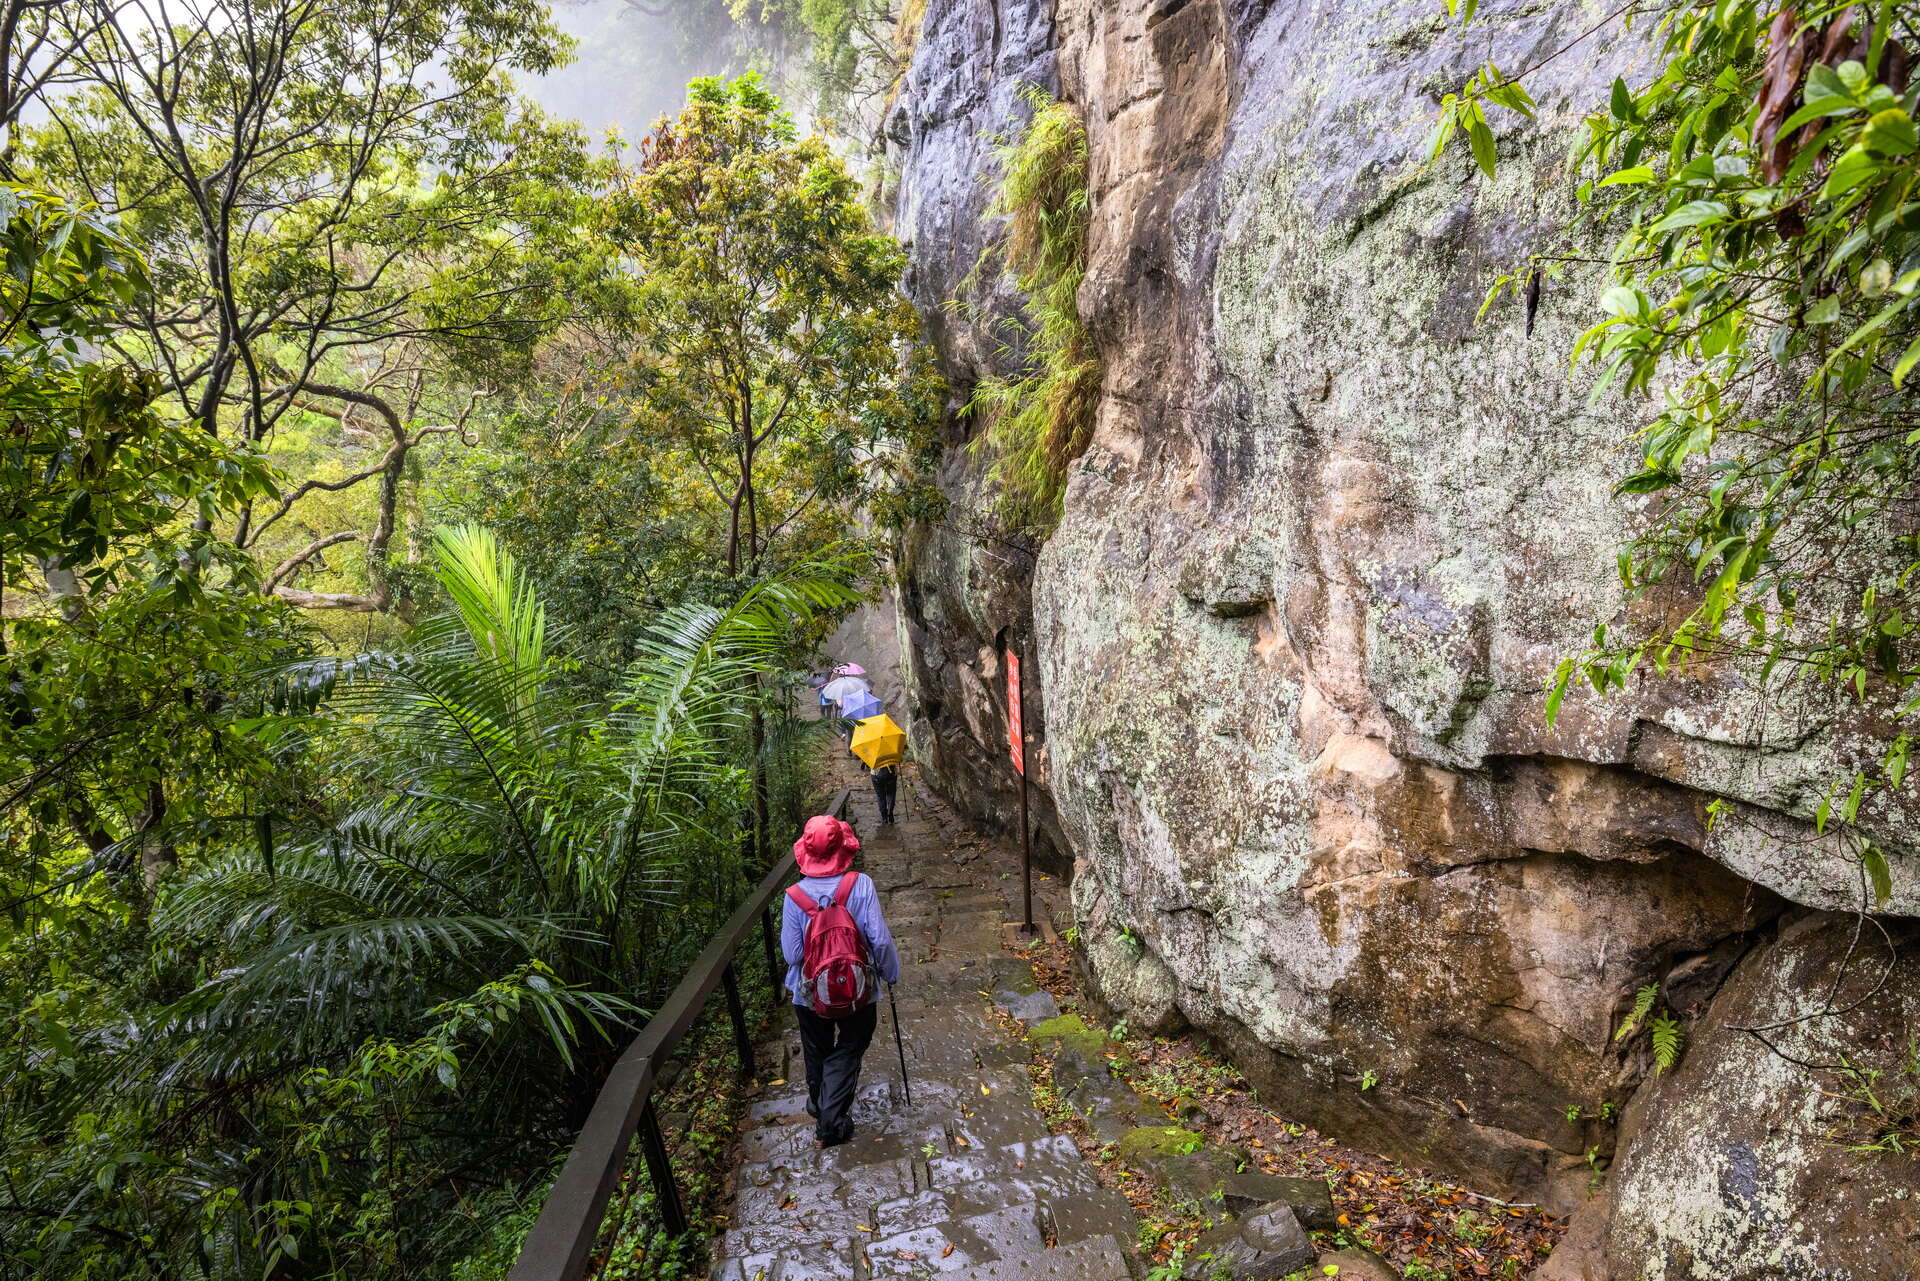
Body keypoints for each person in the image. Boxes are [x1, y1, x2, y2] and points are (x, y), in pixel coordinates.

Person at [781, 815, 900, 1146]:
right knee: (850, 1045)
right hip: (858, 989)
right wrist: (890, 973)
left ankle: (820, 1104)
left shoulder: (794, 896)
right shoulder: (860, 884)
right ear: (843, 849)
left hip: (809, 992)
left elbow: (791, 955)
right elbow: (879, 939)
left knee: (816, 1048)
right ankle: (831, 1121)